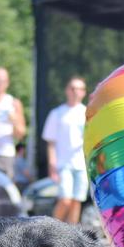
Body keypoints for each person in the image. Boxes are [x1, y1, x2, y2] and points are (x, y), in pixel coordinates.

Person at [41, 76, 88, 224]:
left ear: (84, 93)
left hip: (81, 165)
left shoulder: (87, 113)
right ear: (67, 90)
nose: (75, 92)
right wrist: (52, 164)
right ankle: (51, 228)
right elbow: (51, 142)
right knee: (65, 200)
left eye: (79, 89)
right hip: (63, 164)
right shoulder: (57, 113)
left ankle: (71, 234)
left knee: (76, 201)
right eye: (73, 88)